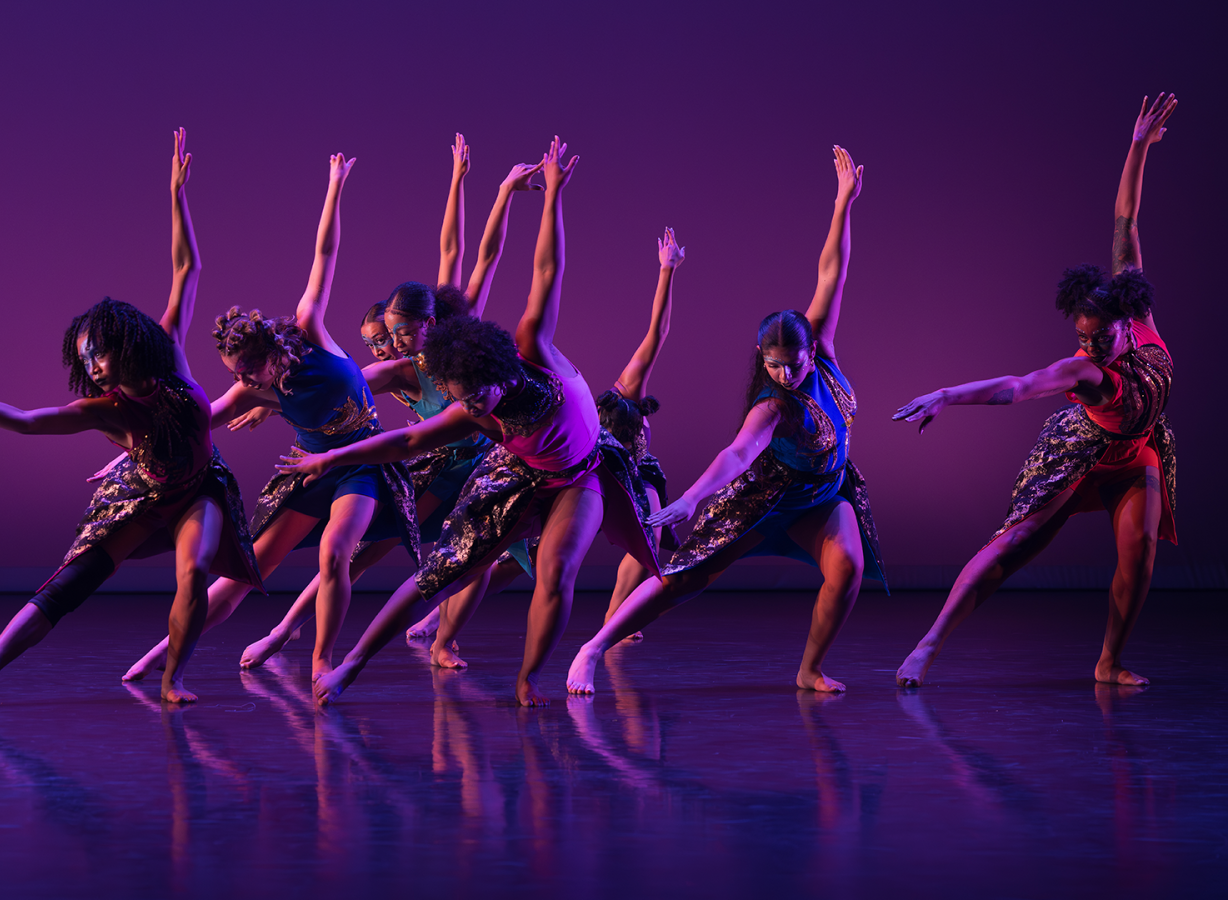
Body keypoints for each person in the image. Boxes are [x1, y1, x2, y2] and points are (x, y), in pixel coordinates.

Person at [0, 129, 263, 708]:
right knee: (70, 583)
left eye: (97, 354)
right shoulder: (106, 410)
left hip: (201, 488)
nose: (91, 367)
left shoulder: (169, 351)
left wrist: (176, 196)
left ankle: (173, 678)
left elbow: (188, 268)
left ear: (126, 343)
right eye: (84, 361)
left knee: (195, 571)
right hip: (143, 494)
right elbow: (26, 422)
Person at [283, 137, 660, 707]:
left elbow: (545, 268)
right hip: (517, 470)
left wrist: (551, 193)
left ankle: (529, 677)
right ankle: (352, 663)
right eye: (463, 402)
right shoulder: (463, 407)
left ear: (492, 370)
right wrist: (325, 458)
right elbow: (405, 438)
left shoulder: (532, 348)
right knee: (442, 569)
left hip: (579, 474)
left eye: (477, 398)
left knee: (555, 574)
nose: (473, 408)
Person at [567, 145, 883, 697]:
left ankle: (809, 669)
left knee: (848, 569)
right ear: (762, 358)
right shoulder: (772, 406)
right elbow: (737, 454)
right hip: (764, 498)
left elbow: (832, 271)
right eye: (773, 364)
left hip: (824, 497)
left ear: (813, 349)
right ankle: (592, 648)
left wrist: (842, 205)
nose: (785, 373)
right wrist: (689, 499)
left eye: (794, 362)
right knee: (682, 580)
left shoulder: (823, 351)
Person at [889, 94, 1179, 688]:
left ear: (1126, 319)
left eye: (1100, 337)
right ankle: (927, 645)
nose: (1091, 347)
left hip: (1138, 448)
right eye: (1082, 338)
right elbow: (1017, 387)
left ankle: (1108, 661)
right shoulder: (1086, 373)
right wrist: (945, 394)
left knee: (1140, 554)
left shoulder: (1139, 311)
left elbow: (1125, 222)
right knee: (1014, 546)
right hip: (1081, 448)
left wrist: (1136, 146)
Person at [234, 145, 544, 671]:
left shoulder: (456, 337)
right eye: (384, 338)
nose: (391, 346)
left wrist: (494, 193)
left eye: (399, 334)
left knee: (488, 556)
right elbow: (344, 385)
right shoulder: (399, 370)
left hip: (486, 462)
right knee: (360, 553)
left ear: (425, 323)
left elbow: (468, 253)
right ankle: (285, 630)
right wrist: (275, 397)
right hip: (439, 465)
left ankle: (441, 635)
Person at [123, 149, 422, 681]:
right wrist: (130, 450)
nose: (240, 381)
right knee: (248, 570)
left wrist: (334, 187)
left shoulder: (310, 330)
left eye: (246, 369)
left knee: (337, 553)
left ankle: (321, 660)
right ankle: (162, 652)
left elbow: (324, 254)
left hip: (361, 466)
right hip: (308, 470)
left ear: (269, 354)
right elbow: (188, 422)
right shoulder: (251, 393)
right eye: (234, 372)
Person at [408, 226, 688, 647]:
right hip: (576, 474)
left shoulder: (631, 388)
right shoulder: (576, 405)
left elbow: (657, 333)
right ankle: (437, 617)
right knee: (513, 561)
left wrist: (667, 272)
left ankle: (615, 610)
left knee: (647, 526)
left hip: (633, 474)